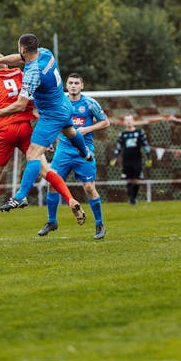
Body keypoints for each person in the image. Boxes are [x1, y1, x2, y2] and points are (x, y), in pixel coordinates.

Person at [0, 50, 87, 241]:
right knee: (46, 169)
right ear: (6, 64)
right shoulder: (21, 74)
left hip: (4, 129)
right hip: (25, 127)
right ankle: (71, 199)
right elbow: (34, 103)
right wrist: (45, 135)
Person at [37, 73, 110, 240]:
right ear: (66, 85)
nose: (73, 86)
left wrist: (87, 129)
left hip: (84, 150)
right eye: (70, 83)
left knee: (89, 188)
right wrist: (48, 140)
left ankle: (99, 224)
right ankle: (51, 221)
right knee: (52, 183)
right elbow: (50, 121)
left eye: (77, 83)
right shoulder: (60, 102)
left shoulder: (90, 103)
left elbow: (105, 122)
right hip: (63, 150)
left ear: (82, 85)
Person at [109, 114, 151, 205]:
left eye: (130, 120)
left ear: (133, 121)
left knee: (136, 180)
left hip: (137, 159)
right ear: (124, 122)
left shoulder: (139, 132)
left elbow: (145, 145)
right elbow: (118, 147)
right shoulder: (123, 134)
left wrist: (148, 157)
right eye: (126, 120)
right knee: (128, 180)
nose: (128, 122)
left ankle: (133, 198)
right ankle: (131, 199)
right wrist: (114, 157)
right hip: (126, 160)